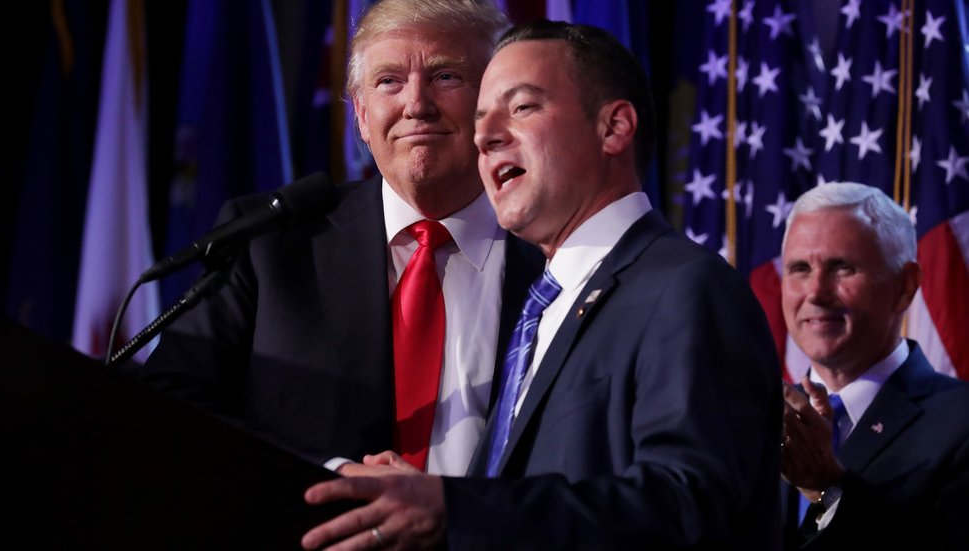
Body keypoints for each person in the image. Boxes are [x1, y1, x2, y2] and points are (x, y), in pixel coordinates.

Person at [301, 20, 783, 550]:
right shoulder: (546, 306)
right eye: (481, 119)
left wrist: (453, 507)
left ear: (613, 128)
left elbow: (690, 509)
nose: (484, 137)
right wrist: (433, 504)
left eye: (523, 107)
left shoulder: (685, 290)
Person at [139, 0, 543, 477]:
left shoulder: (558, 251)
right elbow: (169, 401)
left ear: (494, 104)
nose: (416, 105)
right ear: (362, 115)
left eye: (445, 76)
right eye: (389, 81)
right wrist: (332, 474)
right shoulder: (270, 240)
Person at [779, 182, 969, 550]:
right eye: (800, 268)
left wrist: (827, 487)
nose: (815, 292)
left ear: (904, 286)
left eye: (841, 267)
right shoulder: (753, 420)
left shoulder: (961, 423)